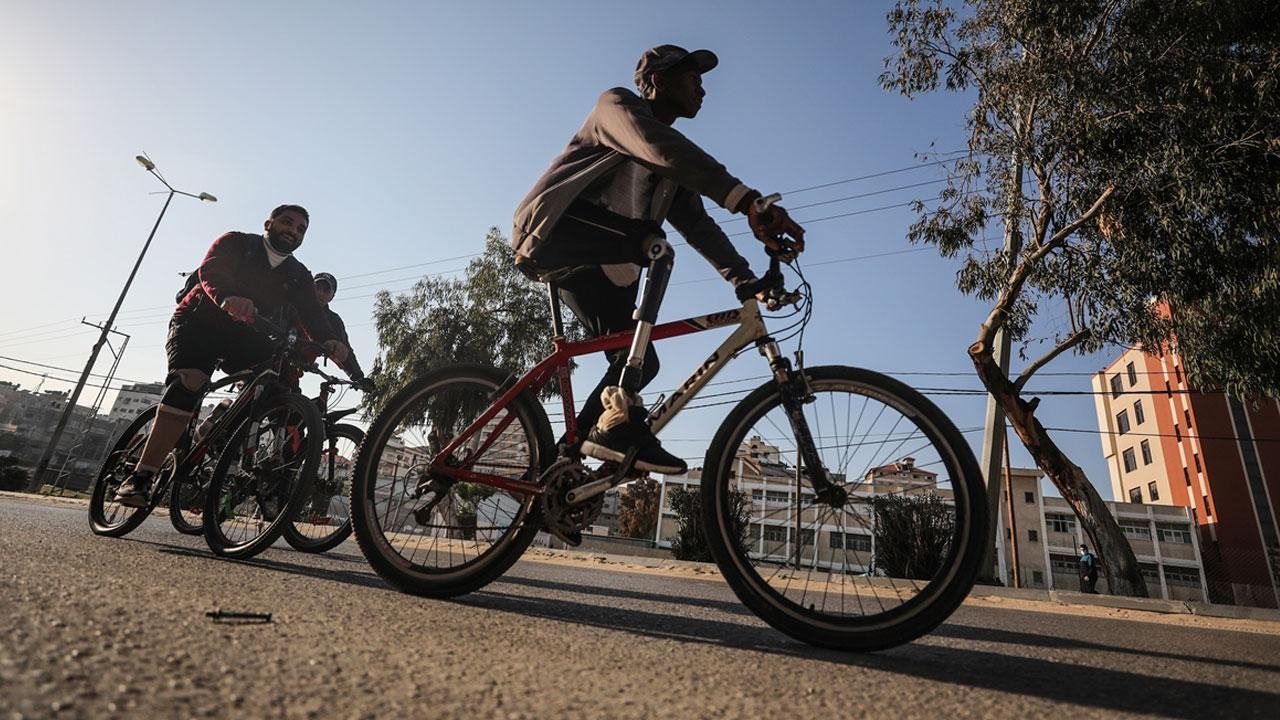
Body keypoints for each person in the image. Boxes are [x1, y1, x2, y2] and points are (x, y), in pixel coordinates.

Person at [512, 44, 804, 475]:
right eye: (692, 77)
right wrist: (746, 200)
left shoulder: (669, 169)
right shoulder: (616, 108)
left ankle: (562, 466)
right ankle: (617, 429)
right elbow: (660, 147)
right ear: (659, 80)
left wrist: (747, 282)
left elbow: (700, 227)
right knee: (657, 246)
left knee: (642, 362)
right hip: (557, 235)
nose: (701, 88)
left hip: (607, 265)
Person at [113, 205, 349, 507]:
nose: (293, 230)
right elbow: (211, 271)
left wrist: (336, 348)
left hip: (247, 333)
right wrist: (227, 297)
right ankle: (141, 477)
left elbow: (313, 317)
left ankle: (217, 429)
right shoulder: (237, 243)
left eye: (301, 228)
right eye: (287, 222)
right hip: (199, 321)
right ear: (269, 223)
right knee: (192, 382)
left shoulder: (298, 274)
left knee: (269, 382)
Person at [311, 272, 372, 389]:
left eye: (326, 290)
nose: (320, 293)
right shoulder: (293, 305)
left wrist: (358, 378)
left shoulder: (334, 321)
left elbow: (345, 351)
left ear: (332, 296)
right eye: (317, 287)